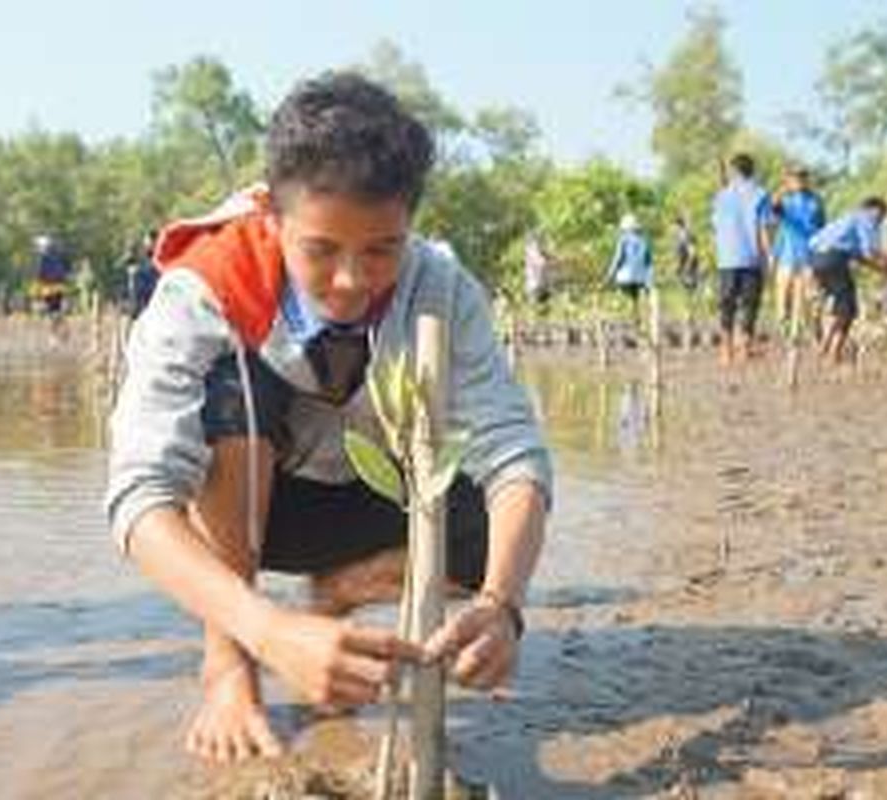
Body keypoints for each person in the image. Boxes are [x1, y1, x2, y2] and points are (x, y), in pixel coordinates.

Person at [105, 73, 552, 763]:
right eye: (320, 250)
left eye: (381, 250)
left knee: (495, 525)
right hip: (254, 504)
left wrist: (503, 605)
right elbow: (140, 499)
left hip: (376, 492)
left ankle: (337, 593)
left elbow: (515, 453)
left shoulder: (440, 287)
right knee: (234, 383)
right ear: (272, 220)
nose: (351, 279)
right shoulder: (205, 289)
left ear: (409, 226)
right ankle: (226, 664)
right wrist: (262, 630)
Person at [809, 197, 887, 362]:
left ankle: (825, 348)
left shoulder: (848, 218)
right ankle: (832, 354)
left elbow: (860, 257)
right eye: (882, 216)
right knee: (848, 309)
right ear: (875, 210)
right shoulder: (865, 218)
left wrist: (884, 270)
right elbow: (870, 251)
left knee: (841, 306)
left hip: (815, 259)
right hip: (833, 259)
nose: (880, 222)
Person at [711, 153, 772, 364]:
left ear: (733, 172)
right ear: (752, 171)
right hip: (751, 258)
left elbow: (717, 224)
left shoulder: (721, 196)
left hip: (726, 258)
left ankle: (726, 352)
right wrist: (769, 258)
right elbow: (763, 229)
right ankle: (744, 350)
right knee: (750, 305)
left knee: (726, 305)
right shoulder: (761, 194)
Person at [770, 165, 825, 331]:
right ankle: (784, 327)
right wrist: (784, 188)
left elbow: (822, 228)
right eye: (795, 177)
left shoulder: (815, 201)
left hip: (807, 256)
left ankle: (796, 339)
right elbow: (774, 209)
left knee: (802, 302)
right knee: (782, 301)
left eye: (802, 177)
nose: (799, 180)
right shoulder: (786, 200)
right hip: (786, 255)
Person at [606, 213, 653, 317]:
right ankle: (635, 317)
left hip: (625, 277)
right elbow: (648, 263)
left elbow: (618, 259)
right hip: (640, 278)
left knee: (620, 295)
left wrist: (609, 275)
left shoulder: (623, 240)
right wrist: (648, 281)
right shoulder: (644, 241)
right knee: (634, 300)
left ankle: (620, 311)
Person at [672, 214, 700, 295]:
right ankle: (692, 293)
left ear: (678, 225)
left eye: (675, 225)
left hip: (689, 261)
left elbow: (692, 249)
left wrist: (688, 263)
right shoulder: (680, 234)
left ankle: (694, 293)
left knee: (690, 280)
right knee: (680, 276)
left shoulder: (686, 234)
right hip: (684, 261)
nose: (674, 228)